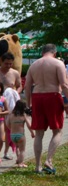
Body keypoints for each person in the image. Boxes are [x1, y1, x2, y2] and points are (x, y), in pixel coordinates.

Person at [25, 43, 68, 174]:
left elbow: (27, 86)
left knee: (39, 133)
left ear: (42, 52)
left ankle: (37, 165)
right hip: (53, 95)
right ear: (55, 53)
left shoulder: (34, 65)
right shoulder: (58, 63)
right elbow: (64, 84)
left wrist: (28, 104)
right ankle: (48, 160)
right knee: (57, 131)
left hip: (37, 97)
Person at [6, 100, 34, 168]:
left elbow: (7, 124)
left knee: (17, 148)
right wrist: (32, 132)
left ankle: (18, 160)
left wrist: (11, 129)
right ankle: (21, 163)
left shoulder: (11, 115)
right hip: (20, 135)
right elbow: (29, 125)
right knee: (22, 150)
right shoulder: (23, 115)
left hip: (12, 135)